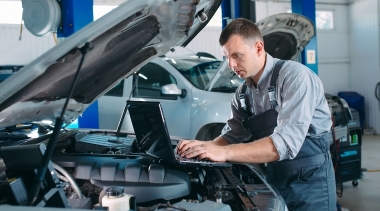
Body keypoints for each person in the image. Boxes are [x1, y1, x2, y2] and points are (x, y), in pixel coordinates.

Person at [177, 18, 336, 210]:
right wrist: (203, 147)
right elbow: (232, 135)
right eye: (227, 57)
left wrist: (224, 153)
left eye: (237, 55)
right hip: (275, 177)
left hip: (311, 183)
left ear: (259, 48)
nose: (231, 65)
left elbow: (284, 144)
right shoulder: (243, 93)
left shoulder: (295, 77)